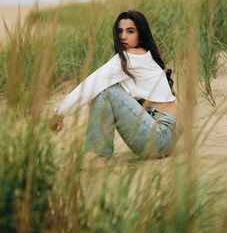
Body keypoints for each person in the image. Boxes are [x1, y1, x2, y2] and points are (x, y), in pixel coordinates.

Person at [51, 10, 178, 164]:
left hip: (158, 137)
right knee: (108, 89)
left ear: (141, 34)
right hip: (168, 137)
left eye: (130, 31)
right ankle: (99, 154)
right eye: (120, 31)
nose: (123, 36)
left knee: (105, 91)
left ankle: (99, 156)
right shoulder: (145, 53)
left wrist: (60, 113)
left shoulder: (128, 57)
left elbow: (90, 85)